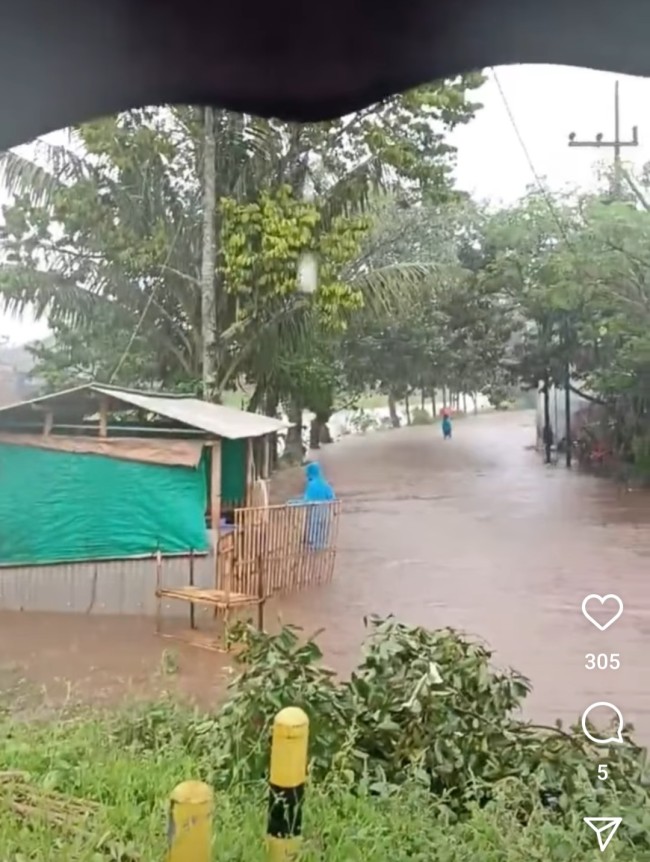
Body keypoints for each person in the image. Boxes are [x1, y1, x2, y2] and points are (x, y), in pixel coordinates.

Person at [290, 461, 336, 549]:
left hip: (314, 513)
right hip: (325, 513)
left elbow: (306, 500)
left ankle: (313, 551)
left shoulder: (311, 485)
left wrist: (293, 504)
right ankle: (322, 548)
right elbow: (332, 498)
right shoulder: (325, 484)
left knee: (314, 533)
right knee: (323, 533)